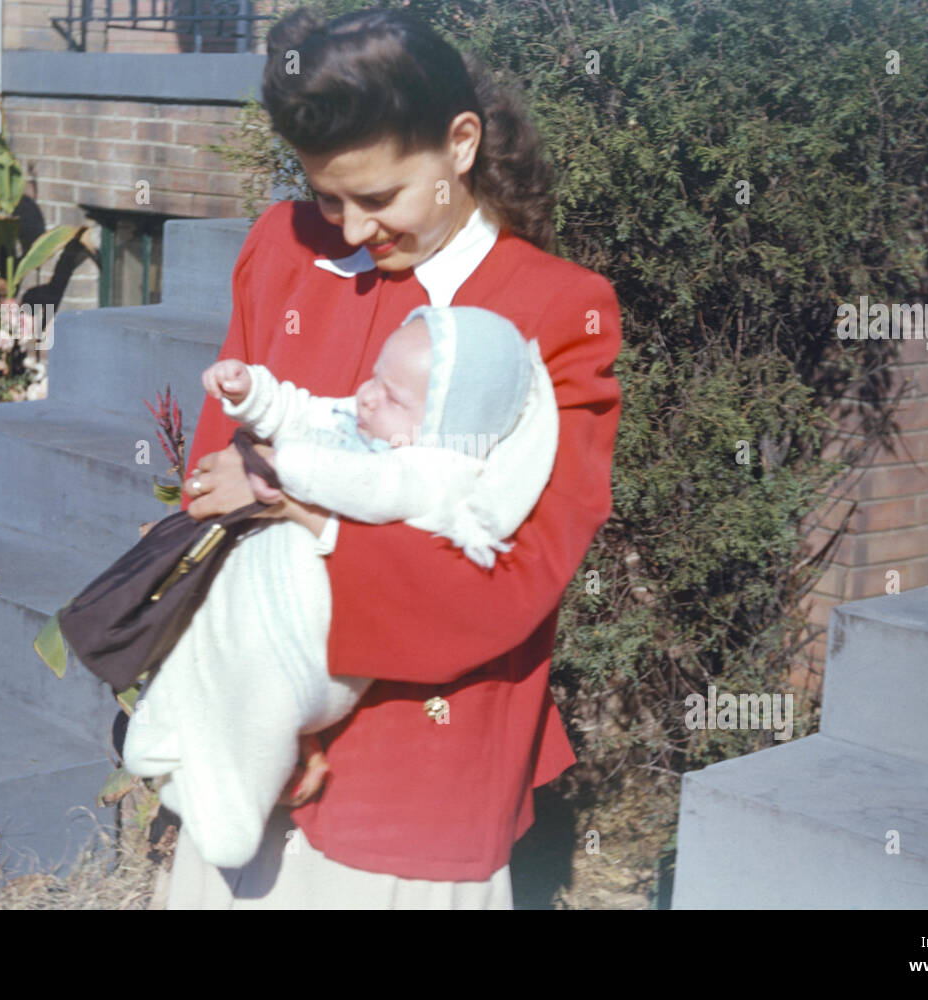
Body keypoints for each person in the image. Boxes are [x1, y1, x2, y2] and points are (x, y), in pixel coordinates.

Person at [170, 5, 621, 908]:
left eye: (378, 199)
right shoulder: (281, 251)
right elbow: (216, 484)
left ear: (461, 145)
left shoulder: (557, 311)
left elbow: (510, 579)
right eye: (328, 195)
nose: (346, 228)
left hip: (418, 771)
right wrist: (243, 705)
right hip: (244, 737)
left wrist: (301, 506)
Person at [123, 304, 559, 871]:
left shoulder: (437, 471)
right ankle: (156, 737)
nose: (367, 397)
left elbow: (372, 486)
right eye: (375, 377)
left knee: (258, 709)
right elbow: (303, 411)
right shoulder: (362, 424)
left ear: (445, 426)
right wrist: (253, 393)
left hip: (305, 654)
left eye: (393, 396)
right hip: (254, 602)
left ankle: (231, 818)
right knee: (197, 650)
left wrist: (288, 467)